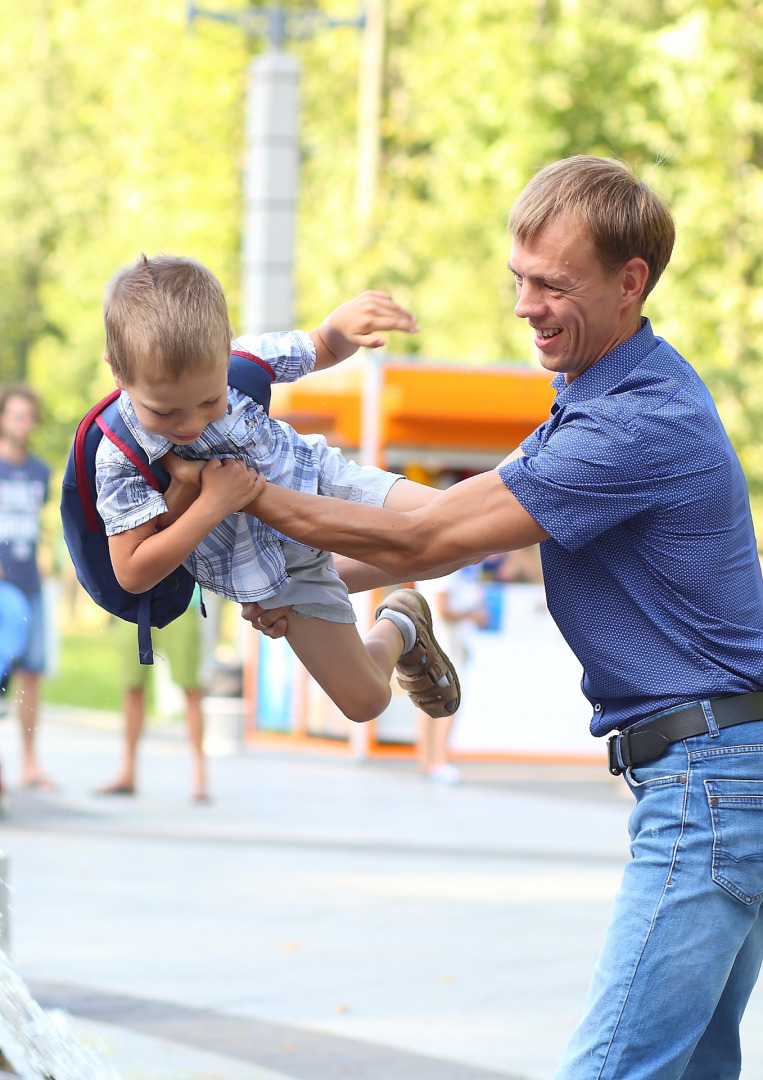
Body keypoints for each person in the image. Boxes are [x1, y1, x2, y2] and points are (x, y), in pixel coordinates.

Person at [239, 156, 763, 1079]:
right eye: (518, 279)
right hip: (723, 773)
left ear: (629, 282)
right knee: (687, 1068)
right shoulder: (597, 398)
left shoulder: (636, 422)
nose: (524, 305)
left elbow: (429, 536)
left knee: (613, 1068)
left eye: (552, 284)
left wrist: (243, 506)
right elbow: (448, 531)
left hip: (712, 781)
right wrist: (282, 583)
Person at [96, 255, 460, 734]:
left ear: (224, 352)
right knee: (365, 699)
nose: (188, 425)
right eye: (164, 412)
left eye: (209, 402)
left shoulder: (240, 361)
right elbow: (132, 571)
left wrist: (343, 327)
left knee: (457, 529)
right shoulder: (120, 456)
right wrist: (211, 505)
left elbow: (320, 345)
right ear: (118, 374)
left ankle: (537, 470)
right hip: (275, 569)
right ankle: (401, 624)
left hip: (320, 481)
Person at [96, 596, 208, 802]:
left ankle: (200, 775)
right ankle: (127, 772)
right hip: (134, 599)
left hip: (181, 596)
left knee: (190, 688)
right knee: (132, 686)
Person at [0, 384, 57, 790]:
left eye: (28, 416)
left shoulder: (41, 472)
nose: (22, 422)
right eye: (15, 414)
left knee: (31, 674)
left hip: (30, 585)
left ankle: (30, 763)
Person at [415, 564, 488, 784]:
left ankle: (427, 762)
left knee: (428, 704)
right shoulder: (445, 569)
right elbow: (442, 608)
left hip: (430, 645)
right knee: (449, 702)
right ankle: (439, 761)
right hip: (446, 648)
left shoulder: (428, 565)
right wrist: (471, 613)